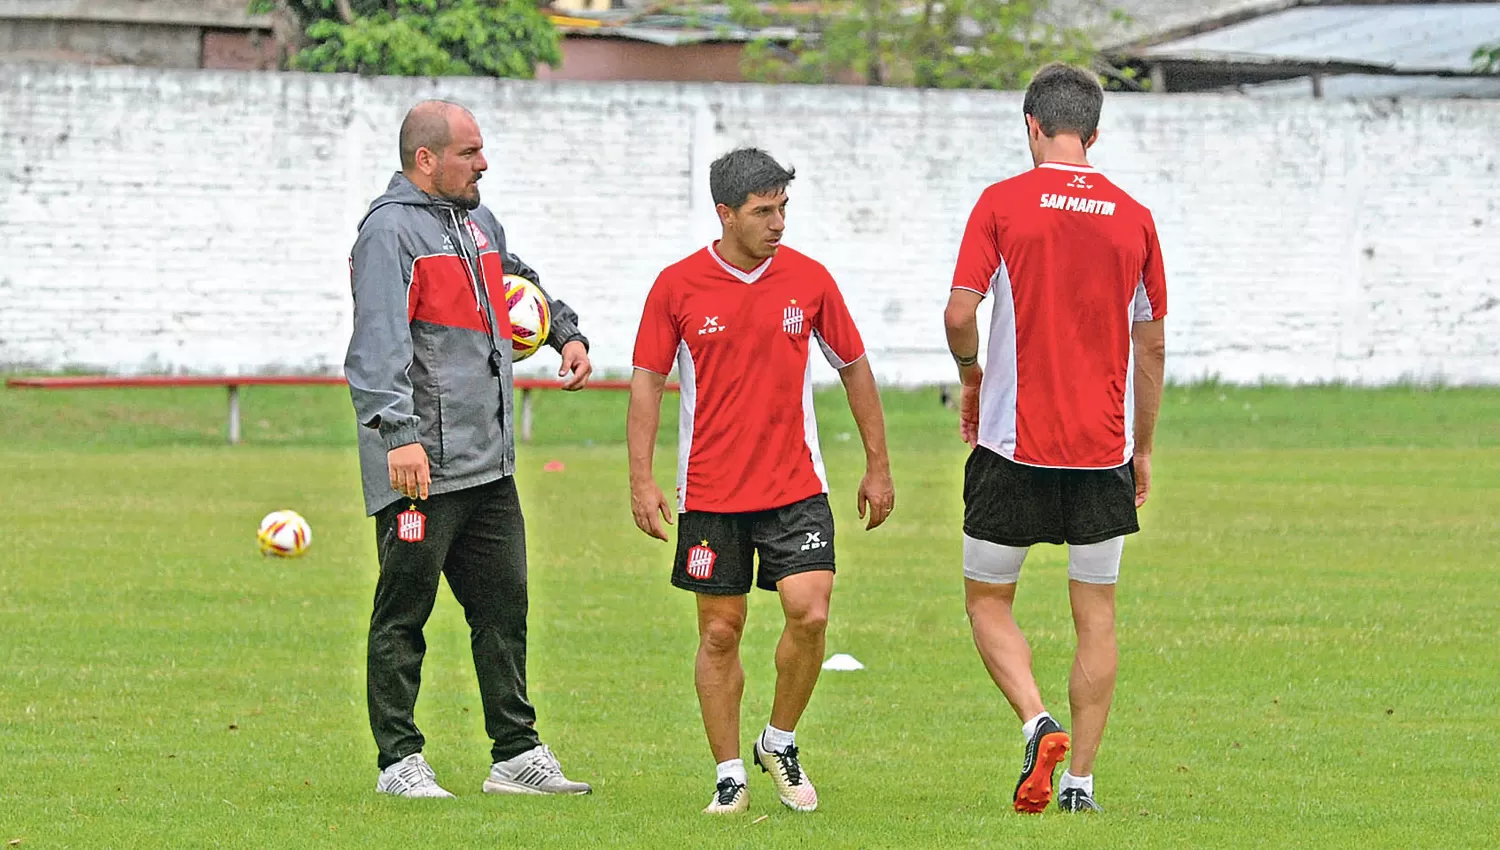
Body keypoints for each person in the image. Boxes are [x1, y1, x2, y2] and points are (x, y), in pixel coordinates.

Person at [626, 148, 896, 815]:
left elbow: (854, 366)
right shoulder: (676, 287)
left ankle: (778, 740)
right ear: (725, 214)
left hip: (796, 488)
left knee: (811, 610)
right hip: (711, 496)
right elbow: (647, 384)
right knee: (721, 632)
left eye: (783, 209)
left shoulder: (810, 281)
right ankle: (728, 773)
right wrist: (641, 479)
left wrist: (878, 465)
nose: (778, 223)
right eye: (762, 212)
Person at [344, 99, 594, 799]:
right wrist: (400, 437)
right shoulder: (387, 235)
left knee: (503, 610)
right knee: (404, 614)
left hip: (491, 463)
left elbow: (519, 284)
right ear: (427, 160)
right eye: (470, 152)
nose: (484, 164)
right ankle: (400, 761)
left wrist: (564, 332)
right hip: (420, 465)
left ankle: (515, 754)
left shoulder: (479, 222)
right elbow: (376, 348)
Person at [943, 63, 1168, 815]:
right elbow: (1153, 346)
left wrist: (972, 377)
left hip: (1012, 449)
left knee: (987, 603)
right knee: (1095, 615)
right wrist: (1141, 448)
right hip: (1102, 452)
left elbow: (957, 313)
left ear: (1030, 125)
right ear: (1094, 133)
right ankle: (1081, 786)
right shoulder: (1135, 216)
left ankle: (1038, 721)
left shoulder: (1002, 204)